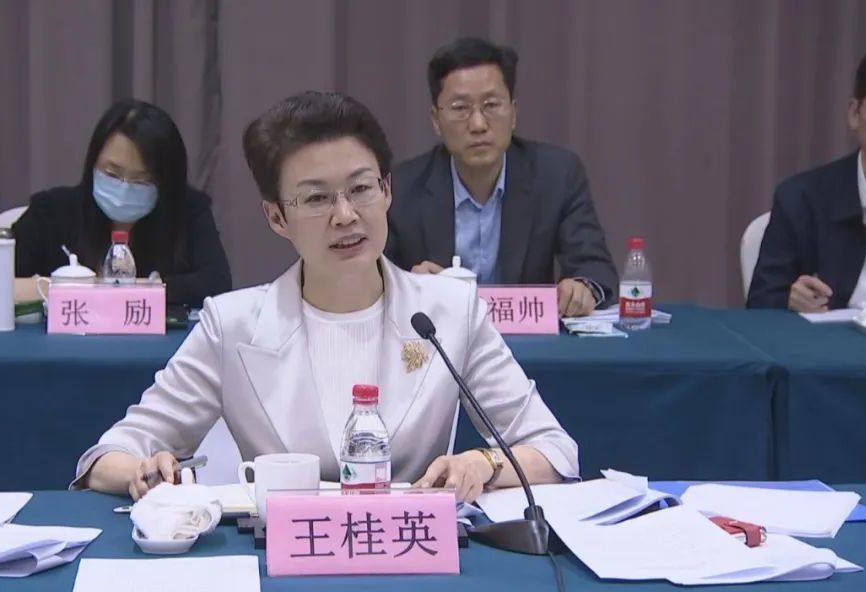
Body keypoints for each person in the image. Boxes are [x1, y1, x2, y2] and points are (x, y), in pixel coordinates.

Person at [74, 91, 578, 504]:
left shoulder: (448, 310)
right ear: (276, 217)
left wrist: (484, 463)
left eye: (361, 189)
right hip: (283, 562)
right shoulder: (233, 324)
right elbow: (106, 456)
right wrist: (142, 471)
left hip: (409, 557)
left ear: (387, 190)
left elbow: (554, 450)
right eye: (316, 198)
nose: (345, 215)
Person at [385, 37, 617, 317]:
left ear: (514, 113)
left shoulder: (557, 175)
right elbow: (371, 281)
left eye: (491, 105)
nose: (478, 124)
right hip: (440, 338)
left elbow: (595, 267)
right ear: (436, 120)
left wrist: (583, 288)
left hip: (527, 340)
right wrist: (408, 284)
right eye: (460, 108)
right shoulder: (402, 187)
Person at [0, 99, 232, 310]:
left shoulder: (188, 211)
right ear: (93, 163)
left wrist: (107, 290)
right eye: (112, 173)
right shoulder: (52, 211)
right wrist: (65, 288)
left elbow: (216, 286)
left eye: (142, 180)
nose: (124, 187)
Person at [748, 46, 866, 312]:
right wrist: (789, 300)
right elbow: (760, 305)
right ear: (854, 113)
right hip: (832, 337)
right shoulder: (801, 200)